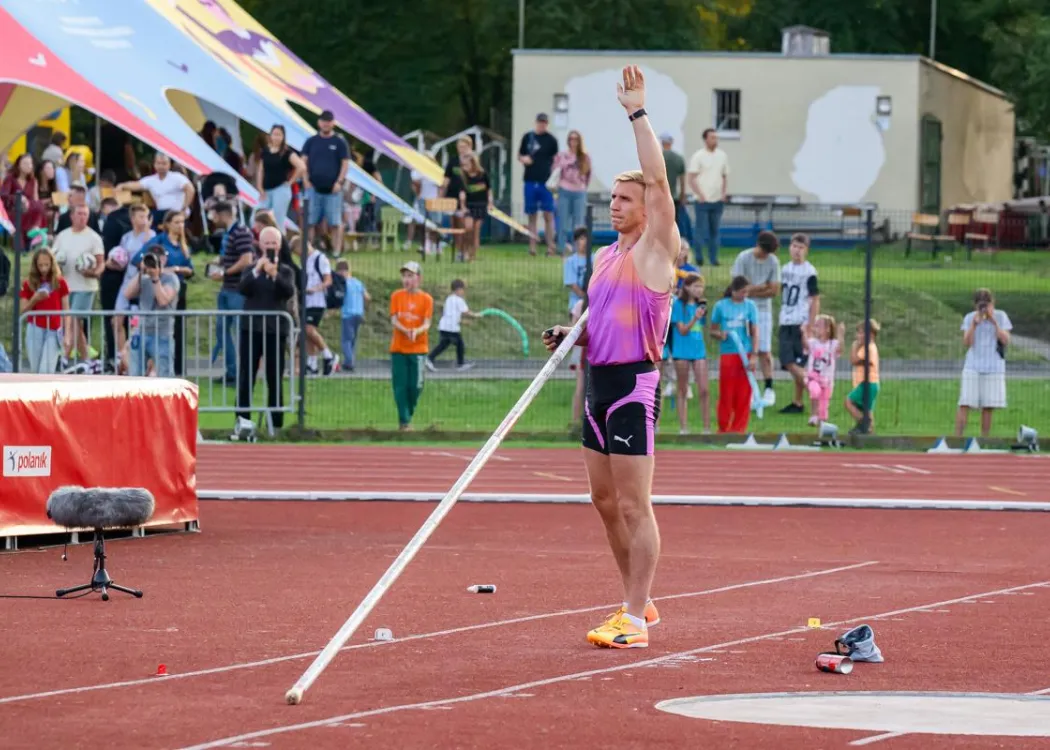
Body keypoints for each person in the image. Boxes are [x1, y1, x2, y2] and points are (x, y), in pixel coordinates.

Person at [542, 66, 679, 649]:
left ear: (648, 210)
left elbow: (660, 183)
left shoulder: (656, 252)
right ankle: (638, 603)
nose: (616, 205)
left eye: (626, 198)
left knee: (633, 501)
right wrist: (572, 333)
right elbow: (598, 320)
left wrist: (637, 113)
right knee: (602, 502)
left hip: (632, 387)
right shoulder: (602, 258)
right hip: (598, 381)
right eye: (615, 198)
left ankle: (631, 616)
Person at [234, 226, 296, 436]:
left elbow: (287, 291)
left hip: (275, 330)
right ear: (259, 245)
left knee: (274, 377)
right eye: (267, 243)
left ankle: (275, 424)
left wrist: (274, 274)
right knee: (246, 376)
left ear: (279, 245)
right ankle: (242, 421)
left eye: (274, 244)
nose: (270, 247)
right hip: (250, 329)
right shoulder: (251, 269)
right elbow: (243, 288)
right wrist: (257, 270)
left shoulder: (286, 271)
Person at [730, 230, 780, 406]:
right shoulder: (743, 258)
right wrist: (762, 287)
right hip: (743, 309)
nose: (766, 255)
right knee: (747, 350)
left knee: (764, 350)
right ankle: (748, 388)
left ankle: (769, 387)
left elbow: (774, 290)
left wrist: (751, 288)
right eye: (764, 251)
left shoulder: (773, 261)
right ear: (758, 245)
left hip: (763, 310)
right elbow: (738, 288)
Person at [955, 288, 1011, 438]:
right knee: (965, 402)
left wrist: (994, 322)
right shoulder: (969, 318)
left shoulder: (1000, 316)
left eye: (987, 304)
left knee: (988, 405)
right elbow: (967, 342)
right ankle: (957, 437)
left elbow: (1005, 340)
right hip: (973, 365)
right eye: (981, 305)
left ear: (993, 303)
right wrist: (974, 325)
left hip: (994, 366)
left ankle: (984, 438)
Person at [709, 276, 759, 434]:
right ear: (734, 291)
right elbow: (712, 330)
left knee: (744, 393)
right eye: (742, 292)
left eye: (747, 292)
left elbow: (755, 332)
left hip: (746, 353)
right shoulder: (721, 306)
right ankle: (723, 428)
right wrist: (720, 334)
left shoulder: (750, 306)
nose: (745, 294)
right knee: (727, 392)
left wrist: (754, 355)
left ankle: (739, 430)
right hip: (728, 353)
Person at [777, 233, 819, 415]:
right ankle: (798, 402)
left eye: (801, 248)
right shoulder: (784, 269)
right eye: (794, 246)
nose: (797, 251)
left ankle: (815, 389)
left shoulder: (809, 272)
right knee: (794, 363)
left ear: (806, 250)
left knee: (789, 361)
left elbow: (815, 299)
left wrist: (810, 324)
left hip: (799, 321)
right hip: (785, 318)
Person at [122, 246, 179, 378]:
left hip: (162, 334)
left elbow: (163, 300)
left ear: (164, 259)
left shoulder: (171, 278)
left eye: (159, 258)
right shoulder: (143, 278)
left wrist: (155, 278)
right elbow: (127, 294)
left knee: (165, 377)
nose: (155, 262)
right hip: (141, 332)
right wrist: (141, 272)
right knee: (136, 376)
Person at [390, 260, 433, 430]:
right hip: (399, 349)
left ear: (418, 278)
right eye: (404, 276)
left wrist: (417, 331)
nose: (406, 280)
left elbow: (427, 322)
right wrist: (404, 329)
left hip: (418, 349)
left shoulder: (426, 299)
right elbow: (394, 319)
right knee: (400, 386)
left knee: (416, 385)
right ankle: (404, 421)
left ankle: (409, 413)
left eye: (410, 276)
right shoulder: (396, 296)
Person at [18, 248, 70, 374]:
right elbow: (23, 310)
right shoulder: (28, 283)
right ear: (35, 265)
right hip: (35, 328)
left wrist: (67, 334)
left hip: (54, 329)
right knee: (35, 368)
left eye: (47, 264)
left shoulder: (60, 282)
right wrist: (35, 299)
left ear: (52, 263)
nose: (44, 269)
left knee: (46, 369)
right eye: (40, 265)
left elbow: (66, 310)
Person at [670, 273, 710, 434]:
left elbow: (700, 330)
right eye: (696, 286)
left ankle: (707, 428)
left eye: (701, 286)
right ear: (687, 287)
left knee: (704, 390)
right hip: (682, 351)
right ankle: (683, 427)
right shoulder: (679, 305)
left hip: (699, 351)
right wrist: (695, 318)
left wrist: (699, 316)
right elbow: (682, 330)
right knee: (683, 389)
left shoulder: (702, 305)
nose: (699, 290)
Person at [518, 113, 559, 256]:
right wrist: (524, 159)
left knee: (548, 214)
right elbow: (520, 155)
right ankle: (532, 247)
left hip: (546, 183)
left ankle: (550, 246)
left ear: (547, 124)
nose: (542, 125)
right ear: (536, 123)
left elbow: (556, 160)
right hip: (530, 181)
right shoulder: (527, 137)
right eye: (540, 122)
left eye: (544, 123)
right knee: (532, 215)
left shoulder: (552, 140)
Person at [426, 279, 480, 371]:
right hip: (451, 328)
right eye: (463, 289)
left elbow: (452, 315)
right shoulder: (459, 300)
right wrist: (476, 315)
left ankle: (429, 359)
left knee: (443, 345)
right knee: (460, 344)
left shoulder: (449, 299)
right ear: (458, 289)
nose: (464, 292)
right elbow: (466, 312)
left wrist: (464, 322)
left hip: (444, 326)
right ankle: (460, 364)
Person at [804, 314, 844, 426]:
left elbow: (840, 349)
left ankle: (822, 423)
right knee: (814, 392)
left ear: (827, 329)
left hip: (827, 380)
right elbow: (806, 346)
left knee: (824, 405)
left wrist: (841, 335)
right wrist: (803, 333)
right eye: (815, 326)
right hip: (813, 377)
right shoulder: (813, 342)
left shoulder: (832, 344)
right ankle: (813, 415)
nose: (815, 328)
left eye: (818, 326)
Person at [845, 319, 881, 434]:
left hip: (867, 383)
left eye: (860, 333)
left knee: (848, 402)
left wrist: (854, 347)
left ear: (870, 334)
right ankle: (869, 432)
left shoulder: (868, 348)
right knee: (867, 409)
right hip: (872, 383)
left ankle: (864, 423)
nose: (857, 336)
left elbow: (854, 360)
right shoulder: (870, 347)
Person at [337, 259, 370, 372]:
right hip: (358, 314)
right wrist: (363, 307)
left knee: (346, 340)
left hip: (348, 314)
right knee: (353, 339)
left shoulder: (343, 284)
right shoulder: (357, 282)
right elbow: (367, 297)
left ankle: (349, 362)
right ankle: (350, 360)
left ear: (340, 272)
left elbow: (339, 297)